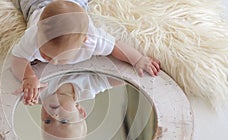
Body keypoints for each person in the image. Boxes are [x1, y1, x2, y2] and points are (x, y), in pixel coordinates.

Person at [11, 0, 160, 105]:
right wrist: (28, 77)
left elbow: (115, 46)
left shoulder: (92, 40)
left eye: (60, 59)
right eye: (45, 55)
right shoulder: (33, 36)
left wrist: (138, 59)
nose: (53, 62)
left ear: (84, 42)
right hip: (38, 4)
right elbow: (18, 58)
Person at [39, 73, 126, 140]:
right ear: (80, 111)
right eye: (64, 121)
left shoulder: (35, 92)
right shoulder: (87, 88)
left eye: (47, 121)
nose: (54, 115)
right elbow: (125, 77)